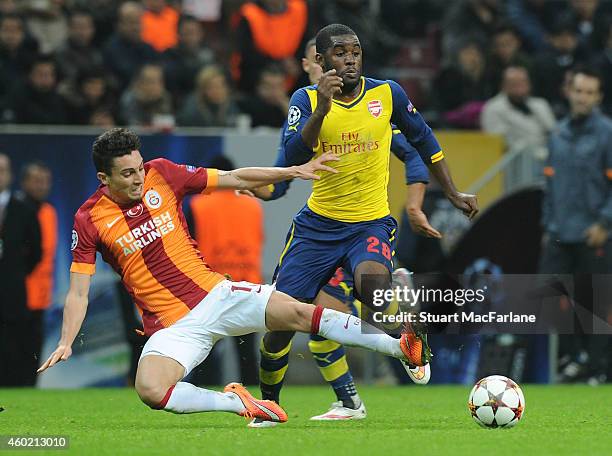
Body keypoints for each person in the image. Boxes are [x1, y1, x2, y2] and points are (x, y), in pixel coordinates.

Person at [38, 127, 429, 423]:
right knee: (151, 389)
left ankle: (402, 348)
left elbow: (236, 177)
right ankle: (239, 402)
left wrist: (293, 170)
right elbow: (78, 293)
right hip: (173, 327)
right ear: (103, 179)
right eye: (126, 174)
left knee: (296, 313)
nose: (138, 178)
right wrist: (67, 340)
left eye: (139, 169)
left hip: (218, 295)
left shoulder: (163, 173)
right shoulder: (89, 219)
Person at [253, 24, 478, 426]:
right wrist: (322, 109)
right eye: (340, 53)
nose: (350, 59)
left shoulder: (387, 93)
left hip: (370, 224)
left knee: (372, 289)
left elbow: (425, 142)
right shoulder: (305, 99)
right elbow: (290, 158)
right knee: (279, 325)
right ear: (320, 62)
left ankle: (405, 327)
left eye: (355, 52)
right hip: (317, 228)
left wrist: (454, 192)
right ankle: (269, 405)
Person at [540, 66, 612, 384]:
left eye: (589, 92)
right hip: (559, 231)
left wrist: (605, 222)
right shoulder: (557, 133)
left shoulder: (608, 133)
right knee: (546, 293)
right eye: (578, 91)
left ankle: (597, 366)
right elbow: (549, 184)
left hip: (593, 232)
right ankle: (573, 357)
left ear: (598, 97)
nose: (582, 97)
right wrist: (547, 224)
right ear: (569, 93)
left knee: (593, 304)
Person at [188, 155, 264, 385]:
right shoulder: (253, 206)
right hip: (248, 286)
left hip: (211, 288)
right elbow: (259, 240)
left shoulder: (198, 205)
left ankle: (204, 400)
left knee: (206, 350)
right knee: (247, 354)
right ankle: (254, 401)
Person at [0, 153, 41, 386]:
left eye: (2, 170)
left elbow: (36, 252)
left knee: (13, 343)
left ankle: (13, 388)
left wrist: (14, 274)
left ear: (10, 175)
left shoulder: (23, 210)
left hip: (12, 292)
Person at [481, 65, 556, 178]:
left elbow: (555, 132)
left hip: (546, 163)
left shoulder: (540, 104)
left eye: (523, 82)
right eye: (514, 83)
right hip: (512, 168)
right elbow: (500, 143)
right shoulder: (493, 108)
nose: (519, 87)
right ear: (504, 86)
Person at [21, 161, 57, 386]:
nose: (41, 186)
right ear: (25, 183)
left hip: (42, 296)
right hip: (18, 294)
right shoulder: (19, 210)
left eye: (45, 181)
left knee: (33, 347)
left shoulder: (49, 212)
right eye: (36, 181)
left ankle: (29, 385)